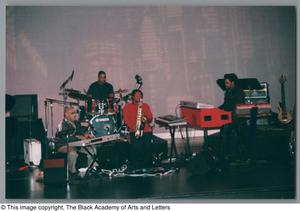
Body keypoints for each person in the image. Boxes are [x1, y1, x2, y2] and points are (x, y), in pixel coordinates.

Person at [55, 107, 96, 179]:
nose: (75, 115)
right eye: (72, 113)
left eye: (75, 113)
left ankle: (92, 168)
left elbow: (81, 133)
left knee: (91, 148)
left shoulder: (77, 123)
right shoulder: (62, 124)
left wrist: (86, 135)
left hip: (77, 145)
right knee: (72, 153)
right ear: (66, 114)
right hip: (63, 145)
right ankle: (72, 172)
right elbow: (65, 137)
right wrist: (79, 137)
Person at [122, 89, 153, 169]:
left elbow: (150, 118)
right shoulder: (127, 107)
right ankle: (137, 167)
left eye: (140, 96)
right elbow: (126, 120)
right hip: (134, 130)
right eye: (136, 95)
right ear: (132, 97)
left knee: (147, 148)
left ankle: (147, 167)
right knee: (137, 148)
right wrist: (133, 127)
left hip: (146, 130)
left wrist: (146, 118)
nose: (138, 97)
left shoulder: (145, 105)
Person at [218, 73, 246, 161]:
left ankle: (238, 155)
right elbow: (226, 105)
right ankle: (226, 154)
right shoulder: (227, 92)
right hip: (229, 118)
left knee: (236, 139)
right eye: (225, 83)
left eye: (227, 83)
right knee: (225, 136)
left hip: (237, 120)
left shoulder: (239, 91)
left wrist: (229, 113)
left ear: (233, 82)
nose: (225, 85)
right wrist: (217, 109)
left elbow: (238, 106)